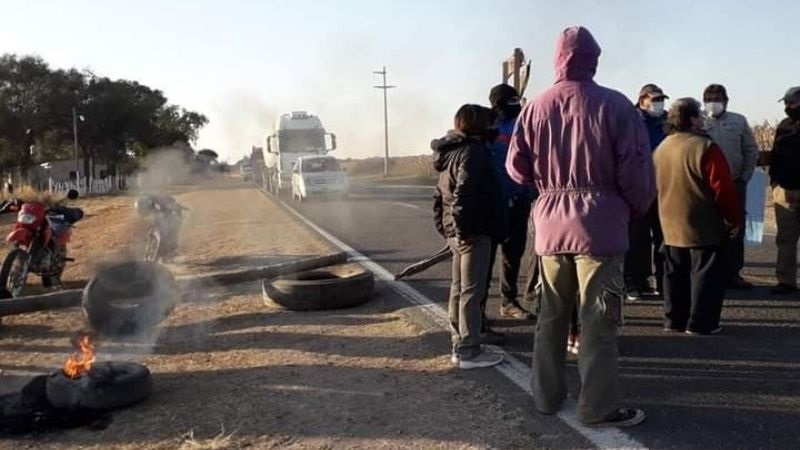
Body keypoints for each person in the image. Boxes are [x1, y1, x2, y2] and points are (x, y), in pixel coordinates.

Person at [506, 26, 654, 428]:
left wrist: (547, 189)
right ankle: (597, 406)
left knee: (551, 317)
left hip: (550, 227)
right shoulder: (616, 105)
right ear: (593, 60)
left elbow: (516, 168)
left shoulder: (534, 107)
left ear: (557, 59)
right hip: (601, 227)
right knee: (598, 321)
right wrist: (632, 209)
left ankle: (545, 397)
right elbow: (635, 170)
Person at [654, 98, 744, 335]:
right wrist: (734, 218)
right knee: (706, 272)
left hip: (669, 219)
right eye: (700, 115)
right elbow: (723, 188)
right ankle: (701, 322)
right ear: (692, 119)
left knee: (674, 273)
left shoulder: (662, 147)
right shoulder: (705, 147)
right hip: (702, 220)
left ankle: (674, 320)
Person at [432, 104, 505, 370]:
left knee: (459, 288)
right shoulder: (474, 153)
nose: (493, 127)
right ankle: (469, 350)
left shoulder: (449, 152)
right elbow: (464, 194)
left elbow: (440, 196)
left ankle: (459, 344)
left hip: (457, 231)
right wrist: (464, 231)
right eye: (489, 122)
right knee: (471, 291)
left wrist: (447, 228)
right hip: (472, 232)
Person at [482, 83, 537, 328]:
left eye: (518, 100)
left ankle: (509, 301)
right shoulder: (487, 125)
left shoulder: (523, 123)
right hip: (493, 202)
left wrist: (530, 192)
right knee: (485, 257)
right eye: (511, 101)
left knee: (513, 253)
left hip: (520, 198)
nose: (516, 105)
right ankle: (479, 307)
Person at [703, 84, 759, 289]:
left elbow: (751, 150)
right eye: (709, 99)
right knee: (708, 229)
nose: (714, 102)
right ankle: (709, 273)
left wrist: (744, 178)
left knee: (735, 229)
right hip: (706, 186)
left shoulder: (738, 121)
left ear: (726, 101)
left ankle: (733, 273)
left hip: (734, 183)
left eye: (718, 98)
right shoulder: (698, 122)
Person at [625, 84, 669, 300]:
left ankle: (663, 281)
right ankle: (635, 282)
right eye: (655, 99)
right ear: (642, 100)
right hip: (639, 187)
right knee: (637, 238)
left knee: (664, 238)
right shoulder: (630, 121)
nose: (659, 104)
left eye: (661, 100)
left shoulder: (668, 122)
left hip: (664, 188)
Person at [769, 86, 800, 294]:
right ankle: (786, 280)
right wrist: (775, 183)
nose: (788, 107)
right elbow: (776, 155)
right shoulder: (784, 126)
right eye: (787, 103)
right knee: (785, 239)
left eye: (792, 103)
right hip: (786, 191)